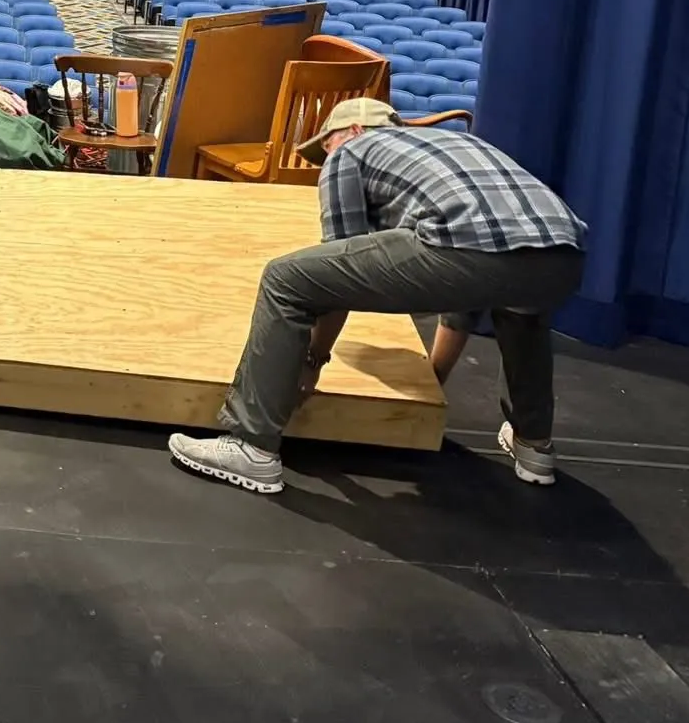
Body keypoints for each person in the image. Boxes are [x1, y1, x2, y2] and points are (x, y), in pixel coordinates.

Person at [168, 98, 586, 494]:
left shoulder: (351, 152)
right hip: (563, 258)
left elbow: (335, 275)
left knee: (286, 278)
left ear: (354, 130)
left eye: (326, 145)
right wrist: (430, 382)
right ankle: (534, 446)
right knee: (522, 312)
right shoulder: (457, 144)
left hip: (466, 250)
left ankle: (251, 445)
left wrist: (313, 360)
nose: (326, 159)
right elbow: (471, 289)